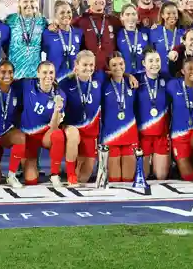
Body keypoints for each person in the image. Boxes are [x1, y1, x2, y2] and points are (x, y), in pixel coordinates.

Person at [58, 51, 104, 185]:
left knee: (83, 177)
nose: (88, 68)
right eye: (84, 64)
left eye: (91, 65)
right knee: (73, 134)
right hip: (71, 128)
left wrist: (128, 75)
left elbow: (115, 73)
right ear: (76, 65)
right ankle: (70, 174)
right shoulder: (65, 84)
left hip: (90, 132)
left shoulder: (99, 78)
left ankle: (73, 170)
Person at [20, 61, 68, 186]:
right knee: (31, 180)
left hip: (46, 134)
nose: (48, 76)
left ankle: (54, 174)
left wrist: (57, 110)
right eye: (44, 72)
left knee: (58, 135)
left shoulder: (60, 94)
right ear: (37, 74)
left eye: (51, 72)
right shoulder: (27, 85)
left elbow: (54, 126)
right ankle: (31, 164)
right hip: (28, 136)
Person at [101, 54, 139, 182]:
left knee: (128, 180)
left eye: (121, 64)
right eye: (114, 65)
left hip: (130, 135)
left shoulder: (132, 83)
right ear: (109, 68)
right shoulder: (103, 85)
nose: (118, 67)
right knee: (115, 179)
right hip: (110, 136)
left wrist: (129, 75)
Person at [136, 49, 170, 180]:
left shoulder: (167, 79)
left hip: (161, 133)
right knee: (142, 176)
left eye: (157, 60)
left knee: (161, 176)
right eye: (150, 61)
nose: (154, 64)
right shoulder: (136, 79)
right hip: (142, 135)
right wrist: (128, 76)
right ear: (144, 63)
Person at [4, 0, 47, 80]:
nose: (29, 4)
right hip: (14, 76)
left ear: (36, 3)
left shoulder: (42, 22)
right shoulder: (10, 20)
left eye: (32, 1)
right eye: (25, 1)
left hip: (35, 75)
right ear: (19, 3)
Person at [42, 0, 84, 83]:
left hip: (75, 80)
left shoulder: (78, 33)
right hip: (55, 81)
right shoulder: (47, 34)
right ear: (55, 15)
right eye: (62, 12)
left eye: (69, 12)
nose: (66, 15)